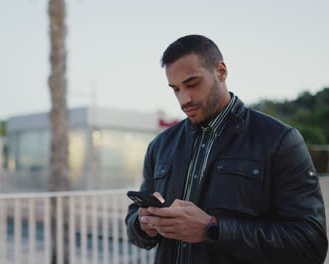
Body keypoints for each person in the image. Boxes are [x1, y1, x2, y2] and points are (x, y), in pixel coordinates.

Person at [125, 34, 328, 264]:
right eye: (175, 89)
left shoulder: (280, 140)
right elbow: (134, 224)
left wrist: (212, 229)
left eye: (192, 84)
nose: (184, 99)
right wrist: (143, 224)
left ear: (221, 71)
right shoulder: (161, 145)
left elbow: (310, 244)